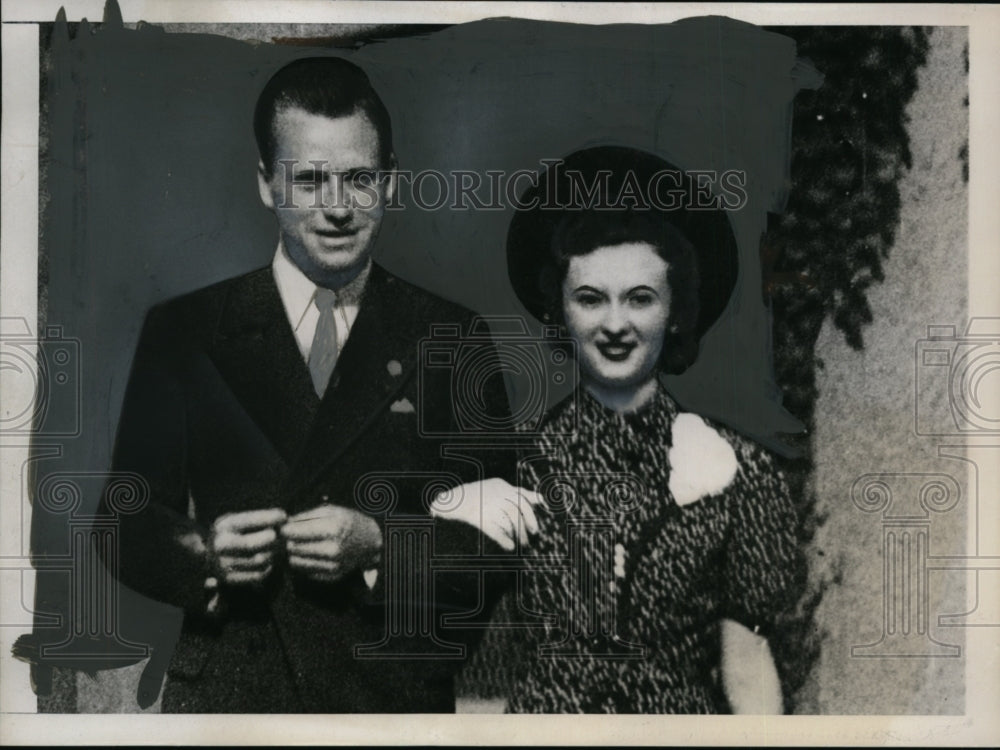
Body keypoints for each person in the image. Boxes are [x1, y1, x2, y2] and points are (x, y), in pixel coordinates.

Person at [99, 56, 539, 713]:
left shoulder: (450, 335)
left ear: (390, 181)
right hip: (233, 695)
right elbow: (121, 520)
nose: (337, 208)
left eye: (359, 178)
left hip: (386, 700)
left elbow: (496, 550)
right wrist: (203, 552)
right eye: (309, 179)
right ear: (265, 183)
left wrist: (380, 546)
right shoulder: (187, 329)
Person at [495, 146, 802, 713]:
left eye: (640, 299)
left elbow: (747, 662)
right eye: (591, 299)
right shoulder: (515, 468)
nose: (615, 324)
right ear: (561, 311)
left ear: (675, 311)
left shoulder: (742, 474)